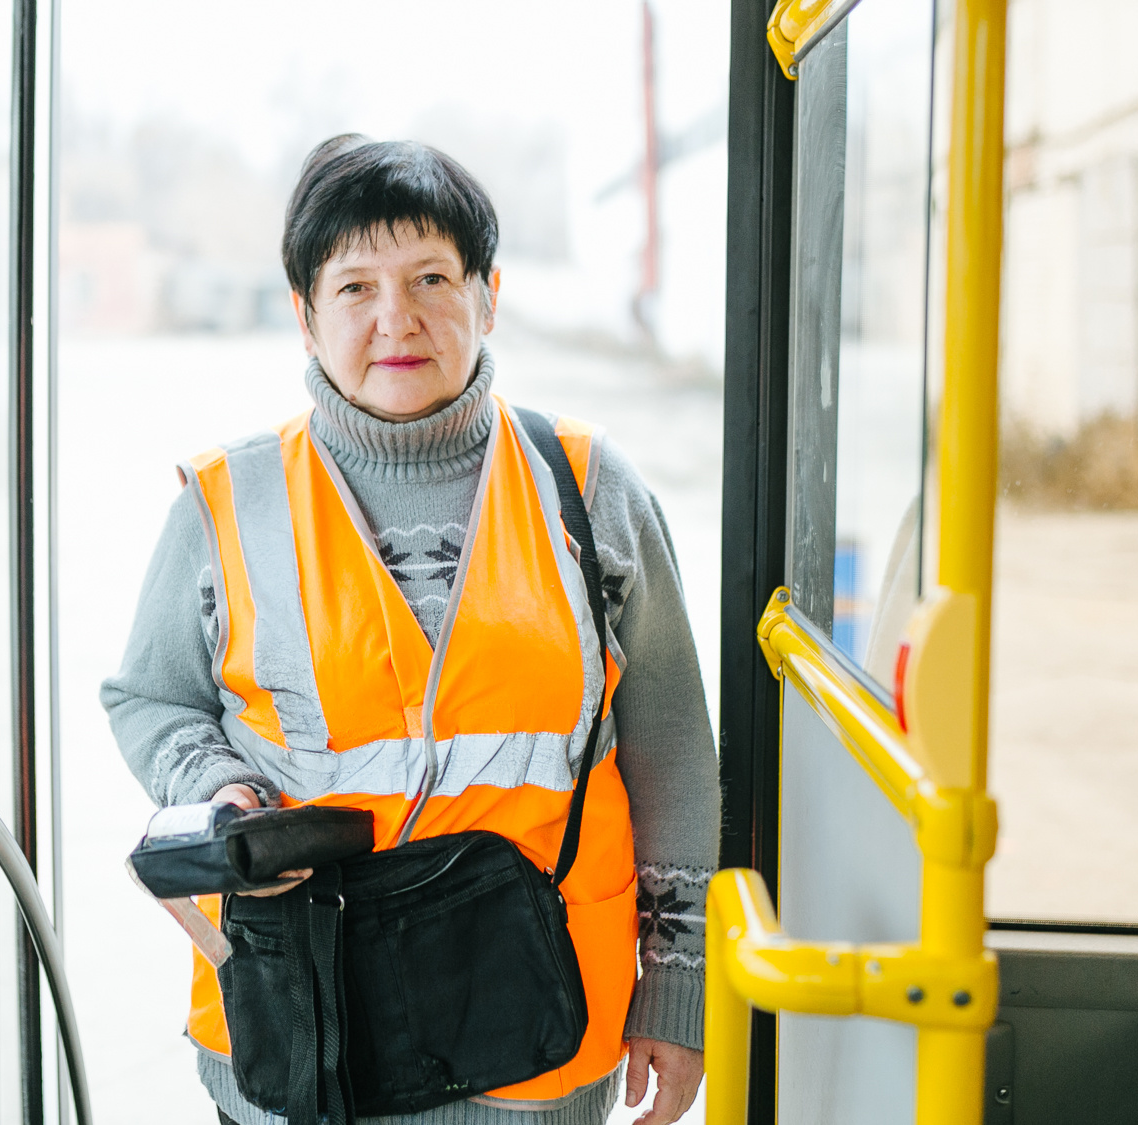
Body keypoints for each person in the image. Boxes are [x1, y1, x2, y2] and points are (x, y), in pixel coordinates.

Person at [102, 135, 719, 1125]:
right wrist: (216, 788)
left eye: (431, 276)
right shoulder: (227, 504)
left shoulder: (590, 489)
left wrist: (679, 992)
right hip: (303, 1024)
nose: (396, 318)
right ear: (304, 316)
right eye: (354, 287)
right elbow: (152, 700)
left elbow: (674, 756)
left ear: (486, 297)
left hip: (537, 1028)